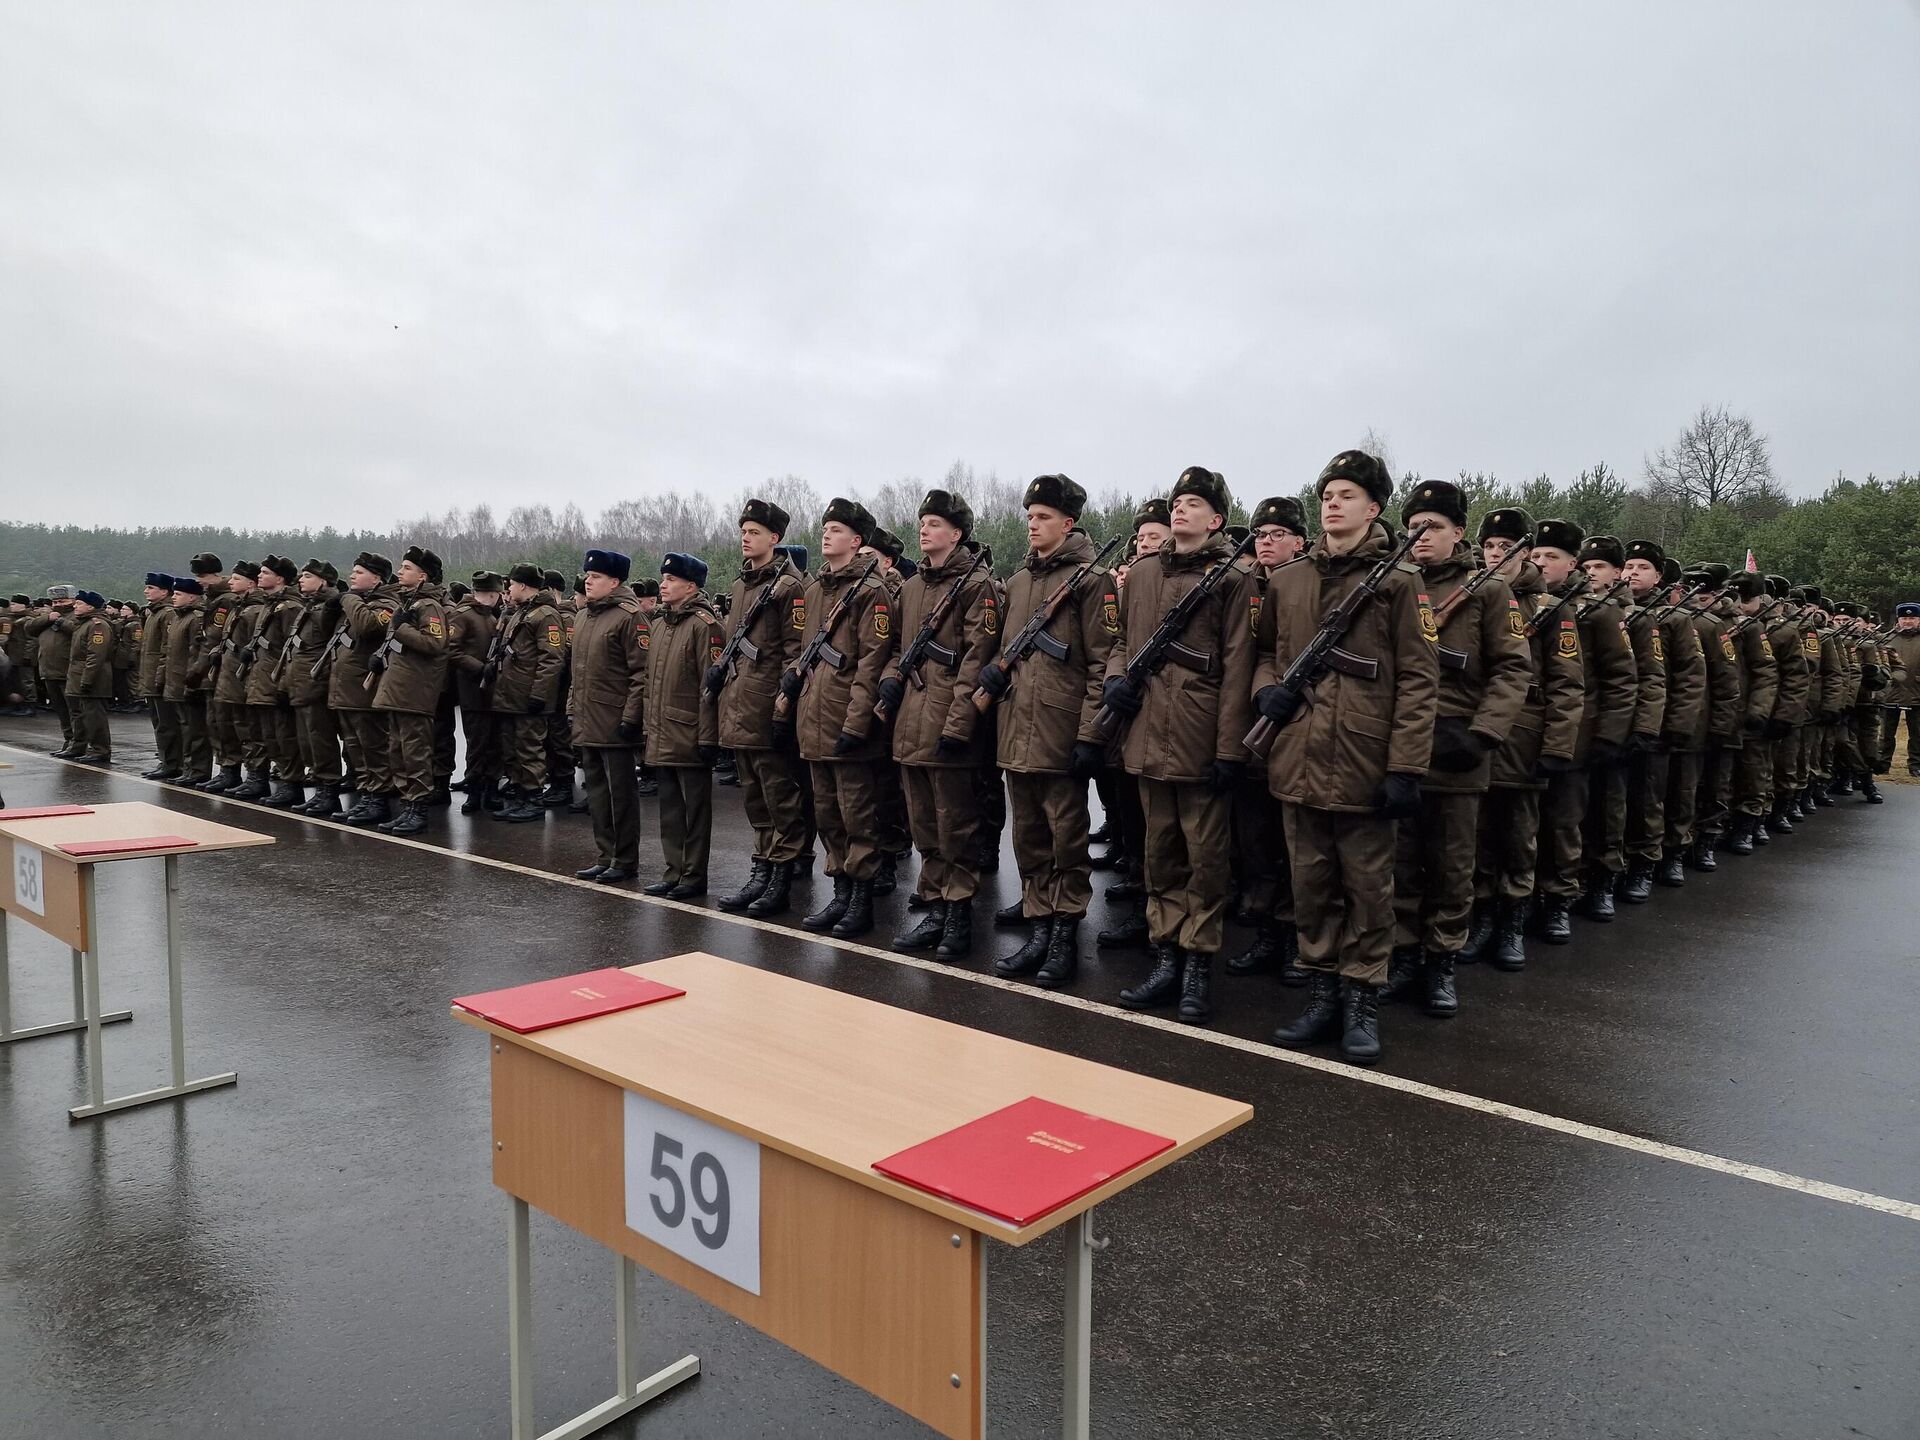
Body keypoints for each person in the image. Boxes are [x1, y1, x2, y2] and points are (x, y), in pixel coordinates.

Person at [1260, 450, 1438, 1064]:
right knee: (1311, 886)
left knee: (1367, 890)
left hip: (1365, 758)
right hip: (1298, 755)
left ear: (1375, 508)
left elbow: (1419, 679)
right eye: (1327, 493)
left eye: (1347, 494)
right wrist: (1268, 692)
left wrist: (1406, 766)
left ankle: (1362, 997)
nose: (1332, 503)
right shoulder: (1288, 581)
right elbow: (1267, 653)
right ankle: (1321, 993)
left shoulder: (1399, 582)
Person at [1103, 464, 1256, 1026]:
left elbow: (1240, 666)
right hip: (1145, 733)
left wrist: (1229, 750)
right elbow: (1120, 640)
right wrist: (1117, 678)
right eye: (1176, 501)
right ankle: (1166, 956)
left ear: (1216, 518)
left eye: (1194, 503)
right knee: (1158, 854)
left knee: (1206, 861)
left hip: (1199, 737)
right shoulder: (1142, 574)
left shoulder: (1236, 578)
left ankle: (1196, 966)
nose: (1181, 509)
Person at [1382, 480, 1529, 1018]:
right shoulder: (1394, 583)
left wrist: (1484, 734)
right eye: (1414, 528)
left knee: (1451, 865)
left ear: (1458, 533)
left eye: (1434, 527)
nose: (1421, 537)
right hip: (1400, 744)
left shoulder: (1488, 590)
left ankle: (1440, 960)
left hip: (1458, 747)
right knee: (1399, 860)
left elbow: (1513, 669)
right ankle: (1400, 954)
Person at [978, 474, 1118, 988]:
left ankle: (1064, 935)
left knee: (1067, 840)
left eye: (1043, 517)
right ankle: (1039, 925)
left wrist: (1089, 736)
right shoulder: (1016, 584)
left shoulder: (1091, 580)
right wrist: (995, 671)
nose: (1033, 526)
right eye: (1030, 516)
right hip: (1017, 727)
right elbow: (1007, 649)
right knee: (1030, 838)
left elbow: (1103, 663)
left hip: (1061, 731)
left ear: (1068, 522)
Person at [1459, 508, 1583, 972]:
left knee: (1517, 837)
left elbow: (1568, 684)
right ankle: (1483, 918)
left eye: (1506, 547)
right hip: (1473, 731)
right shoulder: (1470, 596)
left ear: (1524, 554)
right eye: (1489, 546)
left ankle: (1512, 922)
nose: (1496, 555)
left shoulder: (1549, 608)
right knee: (1475, 836)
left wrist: (1556, 747)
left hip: (1523, 736)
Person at [886, 489, 999, 959]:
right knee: (925, 827)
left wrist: (957, 727)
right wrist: (892, 681)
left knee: (956, 828)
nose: (924, 529)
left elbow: (977, 660)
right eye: (922, 522)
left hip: (949, 727)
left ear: (956, 534)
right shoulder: (911, 589)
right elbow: (896, 649)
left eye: (934, 523)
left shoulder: (977, 586)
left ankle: (958, 915)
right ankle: (934, 907)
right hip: (910, 722)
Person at [784, 498, 896, 938]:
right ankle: (842, 892)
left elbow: (872, 662)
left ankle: (862, 900)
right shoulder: (814, 591)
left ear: (857, 540)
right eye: (825, 527)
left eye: (836, 529)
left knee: (857, 817)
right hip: (814, 719)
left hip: (847, 724)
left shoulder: (872, 592)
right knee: (828, 816)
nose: (826, 534)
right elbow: (805, 656)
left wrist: (856, 723)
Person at [1529, 520, 1635, 941]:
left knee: (1566, 820)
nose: (1541, 562)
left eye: (1551, 556)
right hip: (1527, 730)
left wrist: (1611, 735)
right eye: (1536, 555)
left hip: (1579, 732)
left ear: (1571, 563)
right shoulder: (1520, 602)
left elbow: (1622, 679)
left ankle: (1560, 899)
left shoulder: (1598, 612)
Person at [711, 500, 809, 916]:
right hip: (738, 706)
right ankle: (762, 869)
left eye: (754, 532)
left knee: (780, 798)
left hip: (766, 707)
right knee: (755, 799)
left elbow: (794, 653)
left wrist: (782, 709)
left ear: (775, 538)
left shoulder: (789, 587)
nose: (746, 538)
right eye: (744, 531)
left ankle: (781, 877)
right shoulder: (741, 586)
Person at [1226, 496, 1309, 985]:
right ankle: (1266, 934)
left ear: (1300, 540)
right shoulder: (1240, 586)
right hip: (1248, 733)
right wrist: (1262, 691)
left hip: (1297, 735)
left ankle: (1298, 937)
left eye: (1278, 533)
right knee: (1256, 844)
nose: (1266, 542)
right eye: (1260, 534)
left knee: (1296, 849)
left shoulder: (1311, 586)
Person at [1572, 535, 1664, 920]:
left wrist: (1642, 728)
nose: (1592, 573)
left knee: (1615, 806)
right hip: (1577, 723)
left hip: (1618, 724)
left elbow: (1648, 678)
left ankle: (1608, 879)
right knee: (1574, 811)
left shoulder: (1635, 617)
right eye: (1587, 566)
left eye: (1601, 567)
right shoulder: (1571, 608)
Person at [1617, 541, 1705, 899]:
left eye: (1642, 567)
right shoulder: (1611, 610)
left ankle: (1650, 861)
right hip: (1618, 720)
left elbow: (1689, 677)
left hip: (1658, 724)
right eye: (1628, 566)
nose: (1632, 572)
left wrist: (1677, 726)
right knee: (1614, 802)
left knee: (1649, 798)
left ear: (1658, 576)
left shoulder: (1675, 618)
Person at [641, 553, 726, 898]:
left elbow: (711, 688)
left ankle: (693, 875)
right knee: (671, 809)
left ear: (691, 586)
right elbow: (651, 681)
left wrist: (708, 737)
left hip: (689, 730)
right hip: (663, 730)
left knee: (694, 811)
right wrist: (647, 728)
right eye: (663, 578)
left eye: (671, 580)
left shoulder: (705, 626)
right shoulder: (659, 624)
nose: (663, 585)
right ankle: (673, 869)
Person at [569, 549, 649, 883]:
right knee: (597, 794)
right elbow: (577, 672)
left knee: (621, 796)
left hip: (615, 721)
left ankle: (625, 858)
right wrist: (572, 710)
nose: (588, 581)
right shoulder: (585, 616)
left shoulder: (629, 616)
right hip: (589, 719)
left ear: (614, 581)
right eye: (587, 576)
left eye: (596, 577)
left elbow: (641, 673)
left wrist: (631, 719)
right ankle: (605, 854)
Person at [487, 565, 566, 823]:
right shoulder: (521, 612)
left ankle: (533, 798)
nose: (507, 589)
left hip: (528, 697)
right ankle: (521, 795)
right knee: (514, 750)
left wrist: (539, 695)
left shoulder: (545, 615)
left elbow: (552, 659)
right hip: (511, 696)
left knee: (530, 749)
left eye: (511, 584)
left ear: (522, 585)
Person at [284, 560, 346, 816]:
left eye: (308, 576)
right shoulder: (309, 606)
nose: (301, 579)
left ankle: (329, 791)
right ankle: (320, 789)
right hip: (301, 682)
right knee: (307, 740)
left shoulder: (330, 606)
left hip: (316, 682)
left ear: (322, 581)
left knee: (321, 740)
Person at [246, 555, 306, 807]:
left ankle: (291, 784)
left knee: (285, 737)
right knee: (269, 736)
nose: (259, 576)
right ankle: (282, 781)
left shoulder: (289, 608)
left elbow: (291, 650)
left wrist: (283, 684)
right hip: (263, 678)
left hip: (277, 680)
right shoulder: (270, 604)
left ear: (279, 578)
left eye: (265, 572)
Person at [447, 572, 505, 814]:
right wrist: (479, 668)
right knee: (477, 744)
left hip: (493, 691)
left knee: (494, 743)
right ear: (493, 594)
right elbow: (450, 649)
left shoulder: (493, 617)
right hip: (473, 690)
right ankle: (474, 791)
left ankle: (491, 789)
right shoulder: (463, 616)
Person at [212, 560, 266, 797]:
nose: (230, 582)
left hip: (242, 676)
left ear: (251, 583)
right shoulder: (238, 606)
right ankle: (229, 770)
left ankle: (256, 776)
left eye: (236, 579)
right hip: (228, 674)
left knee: (248, 729)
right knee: (225, 726)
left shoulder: (255, 610)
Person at [162, 576, 214, 783]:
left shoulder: (196, 618)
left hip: (190, 681)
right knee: (185, 728)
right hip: (176, 680)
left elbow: (199, 652)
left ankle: (198, 771)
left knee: (196, 730)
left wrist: (193, 679)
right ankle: (188, 768)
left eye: (178, 594)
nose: (173, 597)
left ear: (192, 597)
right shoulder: (178, 617)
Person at [135, 572, 185, 780]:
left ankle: (173, 763)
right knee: (159, 724)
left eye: (151, 588)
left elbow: (168, 649)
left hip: (160, 677)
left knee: (167, 724)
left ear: (165, 591)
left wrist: (160, 677)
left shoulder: (167, 613)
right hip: (152, 676)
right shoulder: (153, 613)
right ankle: (166, 761)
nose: (146, 591)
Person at [63, 590, 117, 762]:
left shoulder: (97, 625)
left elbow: (96, 656)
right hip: (77, 675)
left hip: (93, 677)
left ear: (90, 606)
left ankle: (100, 750)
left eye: (79, 604)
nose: (74, 606)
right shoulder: (83, 623)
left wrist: (87, 680)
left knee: (94, 717)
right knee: (78, 715)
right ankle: (78, 746)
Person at [27, 586, 77, 754]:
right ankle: (68, 739)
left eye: (62, 601)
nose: (57, 604)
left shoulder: (76, 616)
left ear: (73, 601)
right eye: (54, 602)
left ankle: (78, 742)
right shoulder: (47, 618)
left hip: (67, 671)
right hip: (48, 671)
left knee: (74, 711)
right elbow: (30, 628)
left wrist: (61, 622)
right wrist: (48, 618)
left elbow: (78, 632)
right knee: (61, 710)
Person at [1881, 602, 1920, 777]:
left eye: (1912, 618)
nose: (1908, 622)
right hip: (1891, 692)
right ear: (1898, 620)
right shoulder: (1887, 638)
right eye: (1904, 618)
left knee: (1917, 733)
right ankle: (1883, 763)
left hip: (1916, 691)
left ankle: (1915, 765)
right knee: (1886, 733)